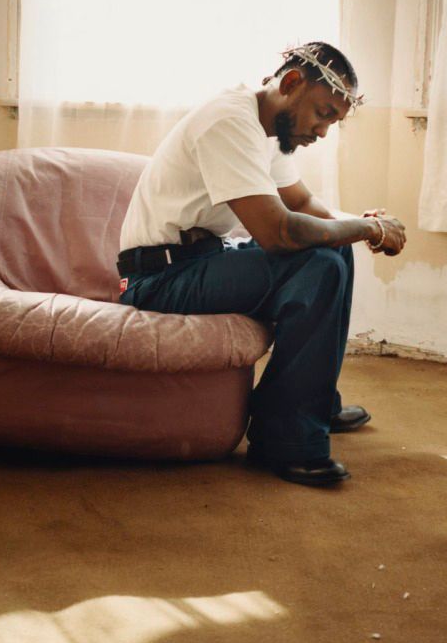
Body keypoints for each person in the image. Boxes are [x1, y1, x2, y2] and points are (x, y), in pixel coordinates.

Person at [117, 42, 406, 486]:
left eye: (333, 121)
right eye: (323, 114)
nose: (323, 132)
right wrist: (367, 229)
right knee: (319, 265)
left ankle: (314, 402)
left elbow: (303, 204)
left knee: (336, 250)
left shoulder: (269, 130)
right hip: (159, 279)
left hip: (204, 259)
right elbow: (279, 232)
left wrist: (359, 225)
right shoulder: (229, 121)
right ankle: (284, 439)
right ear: (291, 83)